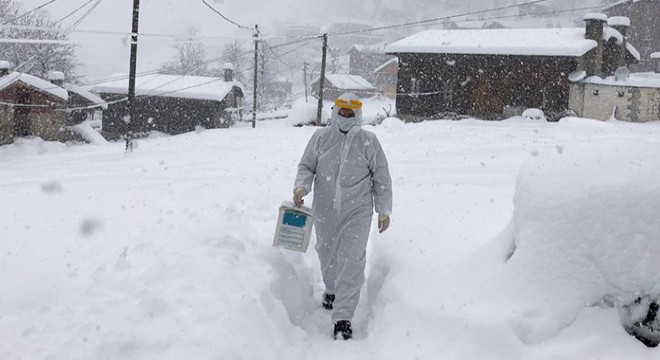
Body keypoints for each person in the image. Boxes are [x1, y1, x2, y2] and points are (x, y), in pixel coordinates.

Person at [293, 92, 392, 340]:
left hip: (358, 210)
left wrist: (384, 209)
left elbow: (381, 177)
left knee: (351, 259)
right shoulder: (321, 138)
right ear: (335, 113)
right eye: (342, 113)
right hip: (325, 207)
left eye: (351, 114)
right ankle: (332, 288)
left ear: (357, 115)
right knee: (326, 252)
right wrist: (301, 186)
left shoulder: (369, 142)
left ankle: (343, 317)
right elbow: (306, 166)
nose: (346, 118)